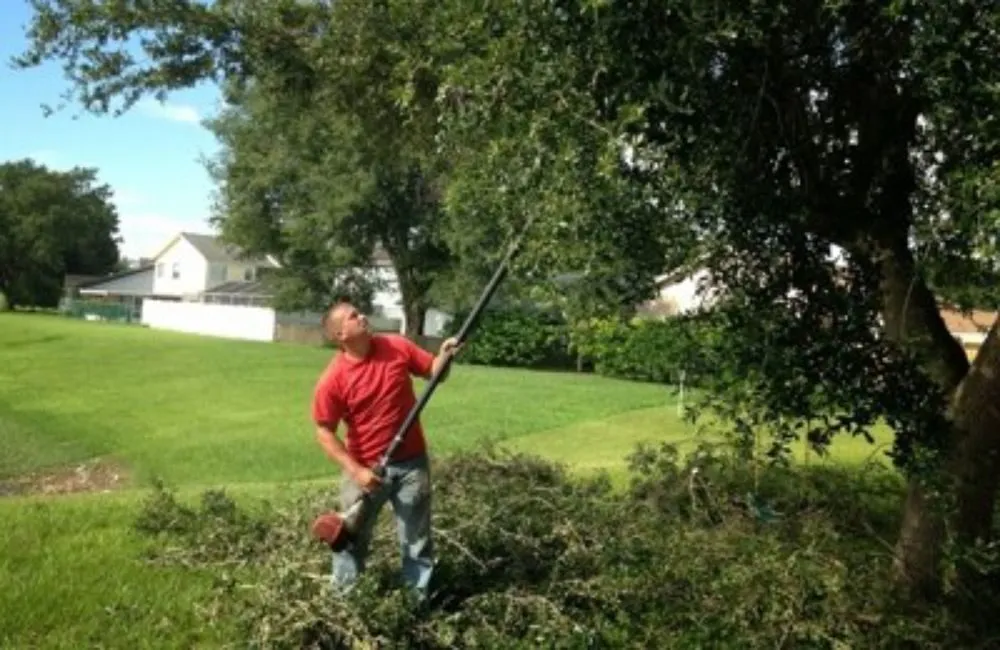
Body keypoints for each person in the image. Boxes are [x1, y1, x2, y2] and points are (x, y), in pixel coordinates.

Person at [311, 300, 460, 602]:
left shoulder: (396, 346)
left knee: (417, 543)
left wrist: (444, 355)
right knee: (350, 543)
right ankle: (346, 610)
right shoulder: (333, 379)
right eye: (353, 316)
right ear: (340, 334)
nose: (362, 316)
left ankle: (414, 609)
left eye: (359, 312)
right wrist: (357, 471)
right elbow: (324, 432)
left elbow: (433, 372)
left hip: (411, 465)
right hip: (365, 470)